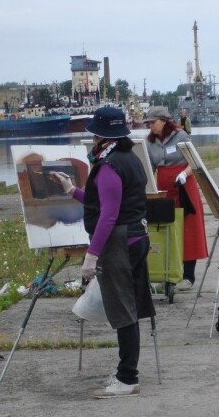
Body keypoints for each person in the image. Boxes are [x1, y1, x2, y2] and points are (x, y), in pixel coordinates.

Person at [51, 106, 154, 398]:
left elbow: (109, 215)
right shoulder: (129, 159)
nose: (92, 140)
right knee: (129, 308)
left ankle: (127, 378)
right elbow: (106, 202)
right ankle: (127, 372)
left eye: (94, 134)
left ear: (101, 136)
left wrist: (91, 256)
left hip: (120, 243)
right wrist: (73, 190)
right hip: (136, 237)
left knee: (123, 311)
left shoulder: (108, 166)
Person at [143, 106, 208, 291]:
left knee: (187, 228)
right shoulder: (150, 142)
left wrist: (184, 175)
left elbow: (194, 162)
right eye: (148, 124)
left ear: (164, 121)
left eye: (153, 122)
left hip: (183, 186)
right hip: (164, 187)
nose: (151, 126)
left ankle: (188, 276)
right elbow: (149, 167)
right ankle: (168, 272)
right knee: (166, 229)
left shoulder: (180, 136)